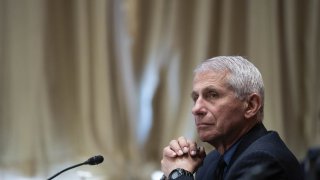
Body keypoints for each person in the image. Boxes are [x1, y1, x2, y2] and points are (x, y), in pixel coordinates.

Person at [160, 56, 304, 180]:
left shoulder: (264, 160)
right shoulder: (211, 161)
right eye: (196, 98)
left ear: (251, 106)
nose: (196, 109)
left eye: (212, 95)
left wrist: (178, 174)